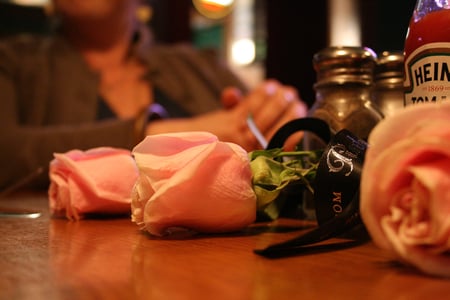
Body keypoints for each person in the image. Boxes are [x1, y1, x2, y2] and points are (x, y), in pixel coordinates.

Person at [0, 0, 307, 190]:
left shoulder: (201, 66)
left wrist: (284, 118)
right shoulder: (13, 61)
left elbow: (277, 144)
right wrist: (163, 137)